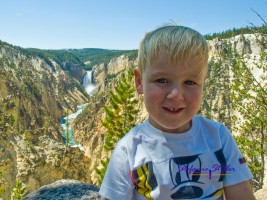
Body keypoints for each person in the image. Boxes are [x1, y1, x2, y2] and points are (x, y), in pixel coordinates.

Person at [99, 25, 255, 200]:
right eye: (162, 80)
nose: (176, 95)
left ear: (203, 82)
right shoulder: (128, 151)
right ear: (139, 82)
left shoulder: (219, 138)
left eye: (189, 82)